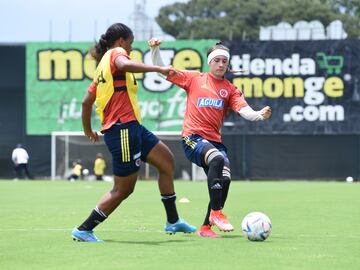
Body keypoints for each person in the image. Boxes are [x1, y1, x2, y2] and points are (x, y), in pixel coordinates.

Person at [71, 23, 196, 242]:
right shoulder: (116, 54)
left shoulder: (102, 67)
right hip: (122, 131)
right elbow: (123, 62)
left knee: (166, 161)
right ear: (120, 41)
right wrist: (157, 69)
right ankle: (84, 229)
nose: (130, 48)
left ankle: (173, 221)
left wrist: (87, 129)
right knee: (123, 189)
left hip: (133, 127)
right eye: (130, 43)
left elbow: (86, 102)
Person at [149, 38, 272, 238]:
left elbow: (244, 110)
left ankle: (206, 227)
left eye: (224, 61)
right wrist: (155, 49)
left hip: (214, 141)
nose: (221, 64)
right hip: (193, 138)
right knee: (217, 159)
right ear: (210, 62)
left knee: (225, 179)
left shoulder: (230, 89)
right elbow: (160, 71)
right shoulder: (194, 78)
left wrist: (260, 114)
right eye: (217, 60)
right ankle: (216, 213)